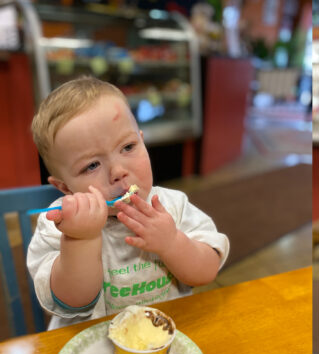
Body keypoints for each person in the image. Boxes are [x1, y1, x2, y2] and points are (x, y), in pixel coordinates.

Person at [27, 77, 229, 330]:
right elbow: (73, 303)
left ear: (143, 141)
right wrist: (81, 239)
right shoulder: (58, 225)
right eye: (91, 165)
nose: (118, 171)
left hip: (161, 338)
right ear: (65, 188)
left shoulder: (172, 206)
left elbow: (206, 272)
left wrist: (172, 243)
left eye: (128, 147)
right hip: (90, 346)